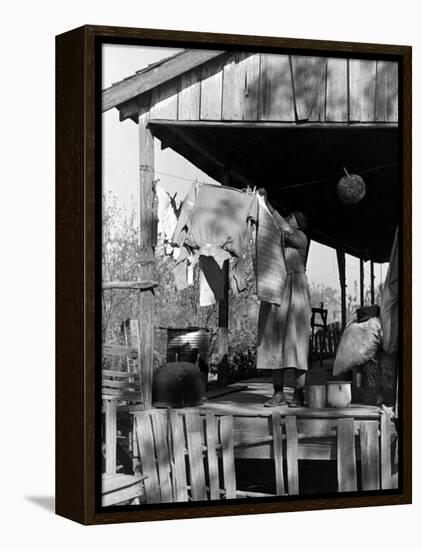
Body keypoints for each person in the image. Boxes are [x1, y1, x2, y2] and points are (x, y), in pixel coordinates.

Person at [257, 189, 312, 407]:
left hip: (295, 291)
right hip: (277, 287)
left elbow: (280, 228)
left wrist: (268, 208)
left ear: (298, 224)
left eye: (291, 218)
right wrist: (264, 203)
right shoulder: (280, 236)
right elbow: (274, 224)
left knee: (295, 342)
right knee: (273, 341)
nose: (287, 218)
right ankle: (278, 393)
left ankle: (298, 394)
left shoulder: (299, 238)